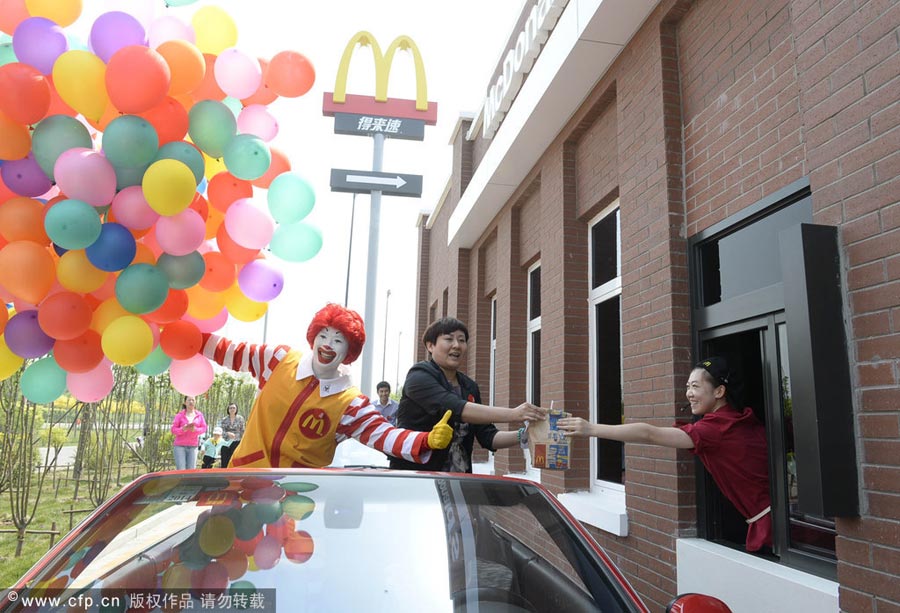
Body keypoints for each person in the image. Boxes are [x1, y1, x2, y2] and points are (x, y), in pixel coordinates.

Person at [557, 356, 772, 552]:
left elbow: (649, 434)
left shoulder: (716, 430)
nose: (689, 393)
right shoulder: (741, 419)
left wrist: (591, 429)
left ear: (719, 392)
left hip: (770, 527)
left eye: (695, 386)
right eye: (687, 386)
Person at [198, 303, 453, 468]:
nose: (328, 344)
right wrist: (192, 339)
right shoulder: (278, 359)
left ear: (349, 352)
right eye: (324, 335)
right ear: (314, 337)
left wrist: (426, 440)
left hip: (296, 499)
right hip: (245, 481)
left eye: (338, 340)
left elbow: (385, 436)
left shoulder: (350, 403)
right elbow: (231, 352)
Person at [389, 317, 547, 473]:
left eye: (462, 340)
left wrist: (525, 435)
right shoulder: (418, 376)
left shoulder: (469, 386)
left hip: (459, 479)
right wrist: (514, 414)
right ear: (430, 346)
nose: (457, 345)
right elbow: (455, 407)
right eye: (449, 339)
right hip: (416, 477)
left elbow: (487, 436)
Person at [170, 396, 207, 470]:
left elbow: (204, 428)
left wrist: (195, 430)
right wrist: (182, 429)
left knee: (191, 469)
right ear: (185, 402)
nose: (191, 402)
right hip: (180, 446)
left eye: (193, 400)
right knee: (181, 469)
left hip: (193, 446)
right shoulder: (179, 415)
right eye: (189, 400)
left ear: (195, 402)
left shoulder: (199, 415)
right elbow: (173, 429)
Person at [218, 402, 245, 468]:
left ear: (236, 409)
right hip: (226, 443)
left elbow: (243, 431)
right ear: (228, 409)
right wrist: (227, 433)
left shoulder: (240, 419)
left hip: (236, 442)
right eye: (230, 408)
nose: (232, 409)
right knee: (225, 461)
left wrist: (243, 443)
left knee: (235, 461)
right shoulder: (224, 419)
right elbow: (220, 431)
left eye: (234, 408)